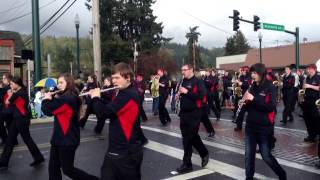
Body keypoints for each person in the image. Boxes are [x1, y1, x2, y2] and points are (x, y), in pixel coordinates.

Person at [90, 63, 144, 180]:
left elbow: (103, 113)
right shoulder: (123, 93)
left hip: (125, 152)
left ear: (128, 78)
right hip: (119, 149)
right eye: (113, 78)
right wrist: (98, 98)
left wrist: (95, 98)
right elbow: (111, 107)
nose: (114, 81)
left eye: (117, 78)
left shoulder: (128, 95)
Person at [41, 73, 99, 180]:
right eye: (58, 83)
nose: (59, 85)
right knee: (53, 168)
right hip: (58, 138)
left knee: (68, 170)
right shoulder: (63, 96)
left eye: (62, 82)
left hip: (67, 140)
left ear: (69, 83)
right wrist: (52, 92)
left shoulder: (68, 99)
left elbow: (48, 110)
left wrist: (45, 99)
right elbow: (55, 103)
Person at [243, 63, 286, 180]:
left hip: (264, 127)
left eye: (254, 73)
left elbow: (270, 107)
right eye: (251, 73)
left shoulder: (270, 87)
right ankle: (249, 177)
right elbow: (248, 106)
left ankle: (282, 174)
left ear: (261, 74)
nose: (252, 75)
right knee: (248, 155)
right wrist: (242, 104)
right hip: (250, 126)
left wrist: (253, 99)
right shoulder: (251, 87)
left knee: (266, 156)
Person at [0, 77, 44, 170]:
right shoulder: (22, 92)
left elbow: (7, 102)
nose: (11, 86)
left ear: (17, 84)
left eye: (12, 84)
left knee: (26, 139)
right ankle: (4, 162)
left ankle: (38, 157)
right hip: (18, 119)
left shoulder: (18, 93)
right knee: (10, 140)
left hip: (21, 119)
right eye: (10, 84)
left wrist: (9, 94)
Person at [176, 64, 209, 174]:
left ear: (191, 70)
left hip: (194, 113)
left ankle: (187, 164)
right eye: (182, 70)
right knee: (191, 137)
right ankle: (204, 153)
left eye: (184, 70)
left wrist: (187, 92)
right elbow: (184, 94)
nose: (183, 72)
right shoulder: (183, 81)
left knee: (188, 139)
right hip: (184, 113)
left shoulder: (198, 81)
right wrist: (179, 95)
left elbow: (202, 95)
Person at [301, 64, 320, 143]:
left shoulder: (318, 77)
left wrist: (310, 86)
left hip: (315, 101)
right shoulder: (306, 78)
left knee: (316, 119)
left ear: (314, 69)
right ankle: (311, 135)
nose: (307, 70)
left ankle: (317, 135)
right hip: (306, 101)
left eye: (309, 69)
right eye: (307, 69)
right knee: (307, 119)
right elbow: (303, 88)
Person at [234, 66, 252, 131]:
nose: (242, 72)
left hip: (248, 97)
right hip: (242, 97)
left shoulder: (250, 77)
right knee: (240, 112)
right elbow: (238, 87)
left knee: (251, 113)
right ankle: (239, 126)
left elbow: (249, 85)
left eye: (244, 71)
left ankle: (250, 127)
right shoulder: (241, 77)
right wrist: (238, 96)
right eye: (242, 71)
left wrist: (242, 83)